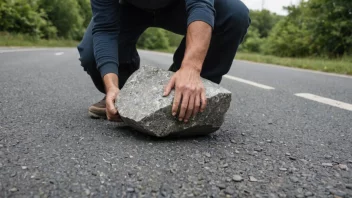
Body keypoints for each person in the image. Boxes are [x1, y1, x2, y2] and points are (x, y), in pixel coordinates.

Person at [77, 0, 250, 123]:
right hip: (128, 8)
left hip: (178, 6)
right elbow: (105, 29)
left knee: (235, 15)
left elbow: (200, 5)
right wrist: (111, 87)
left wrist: (190, 68)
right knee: (91, 55)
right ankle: (125, 96)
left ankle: (186, 96)